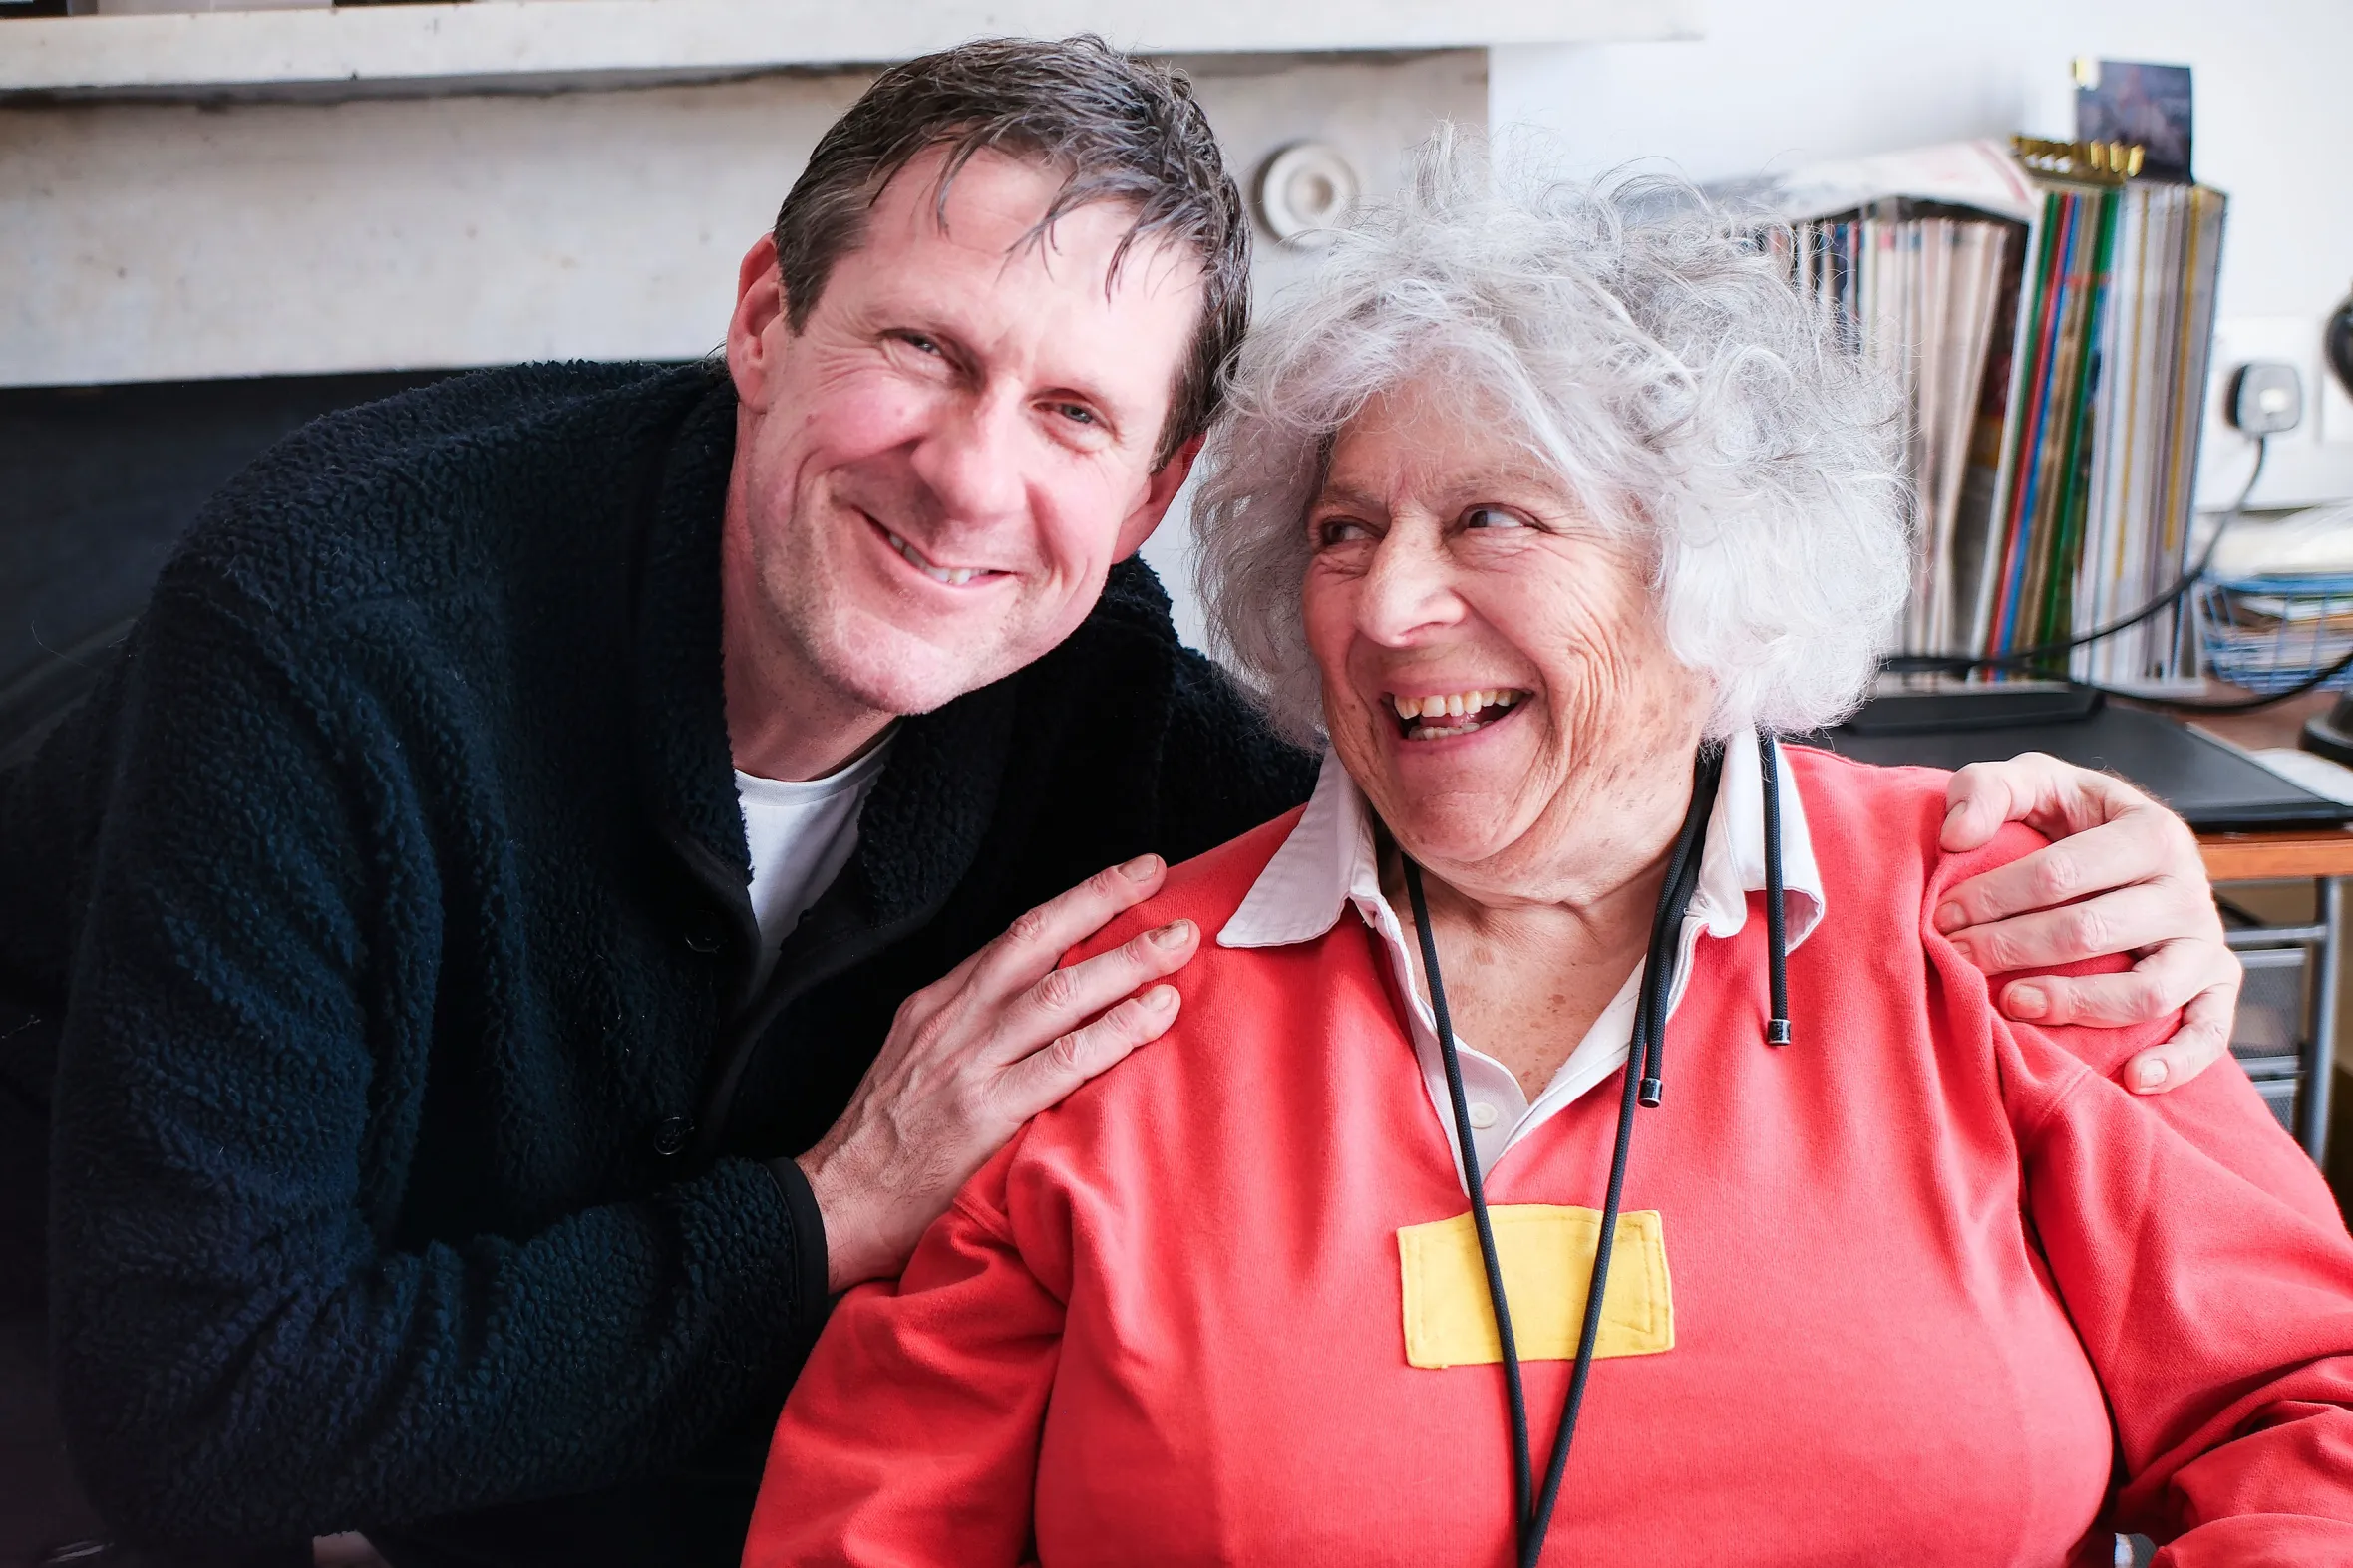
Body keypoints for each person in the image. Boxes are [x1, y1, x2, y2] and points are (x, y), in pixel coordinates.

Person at [0, 39, 2238, 1568]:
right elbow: (199, 1415)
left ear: (1160, 488)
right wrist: (836, 1204)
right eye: (922, 351)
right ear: (765, 316)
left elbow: (1464, 799)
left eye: (1077, 412)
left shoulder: (1125, 720)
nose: (976, 475)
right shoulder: (328, 630)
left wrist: (2078, 888)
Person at [744, 152, 2353, 1566]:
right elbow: (866, 1529)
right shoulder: (1111, 1011)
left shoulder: (2009, 916)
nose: (1384, 609)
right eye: (1343, 532)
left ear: (1710, 570)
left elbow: (2305, 1413)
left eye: (1495, 520)